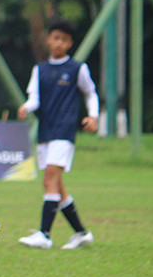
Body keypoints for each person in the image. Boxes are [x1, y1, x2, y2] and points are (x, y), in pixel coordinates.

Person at [16, 18, 99, 250]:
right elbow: (34, 98)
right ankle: (82, 233)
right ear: (48, 40)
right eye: (56, 38)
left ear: (70, 43)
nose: (59, 43)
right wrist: (26, 107)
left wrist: (93, 116)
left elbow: (90, 92)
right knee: (57, 186)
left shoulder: (77, 69)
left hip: (64, 131)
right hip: (45, 132)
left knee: (49, 179)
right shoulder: (39, 70)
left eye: (64, 39)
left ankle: (45, 235)